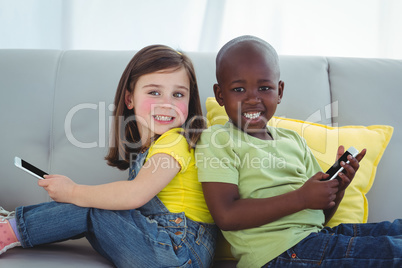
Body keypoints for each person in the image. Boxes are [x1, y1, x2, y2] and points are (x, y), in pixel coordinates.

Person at [0, 45, 217, 268]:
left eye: (178, 94)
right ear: (129, 99)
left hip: (177, 250)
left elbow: (135, 194)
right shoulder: (151, 148)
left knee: (93, 206)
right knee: (95, 204)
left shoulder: (176, 141)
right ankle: (13, 225)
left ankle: (9, 229)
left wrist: (73, 191)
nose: (167, 103)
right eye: (154, 92)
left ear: (189, 103)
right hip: (167, 249)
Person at [195, 35, 402, 267]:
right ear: (220, 94)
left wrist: (337, 189)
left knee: (396, 230)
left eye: (264, 88)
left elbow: (318, 217)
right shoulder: (218, 139)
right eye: (239, 89)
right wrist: (302, 197)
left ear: (280, 91)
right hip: (279, 254)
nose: (253, 99)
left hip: (315, 240)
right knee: (395, 251)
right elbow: (226, 215)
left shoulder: (293, 140)